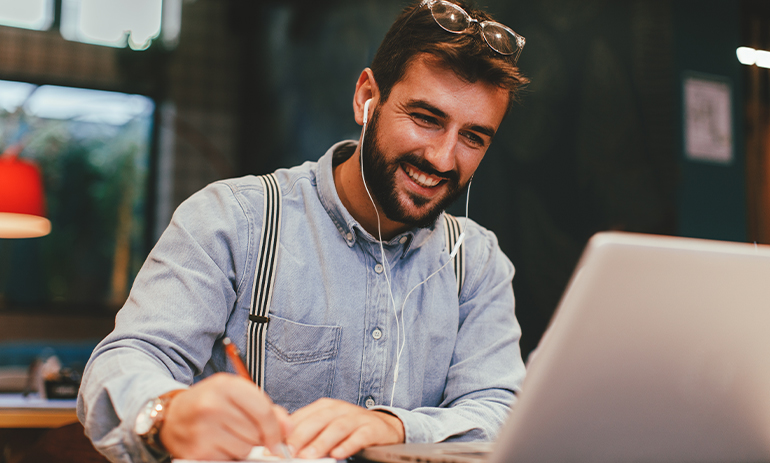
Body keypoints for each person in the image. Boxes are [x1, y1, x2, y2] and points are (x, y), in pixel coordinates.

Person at [77, 0, 529, 461]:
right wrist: (168, 413)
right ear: (366, 97)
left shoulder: (477, 262)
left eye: (473, 137)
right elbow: (123, 361)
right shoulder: (232, 219)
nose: (443, 158)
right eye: (426, 119)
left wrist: (393, 426)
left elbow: (501, 410)